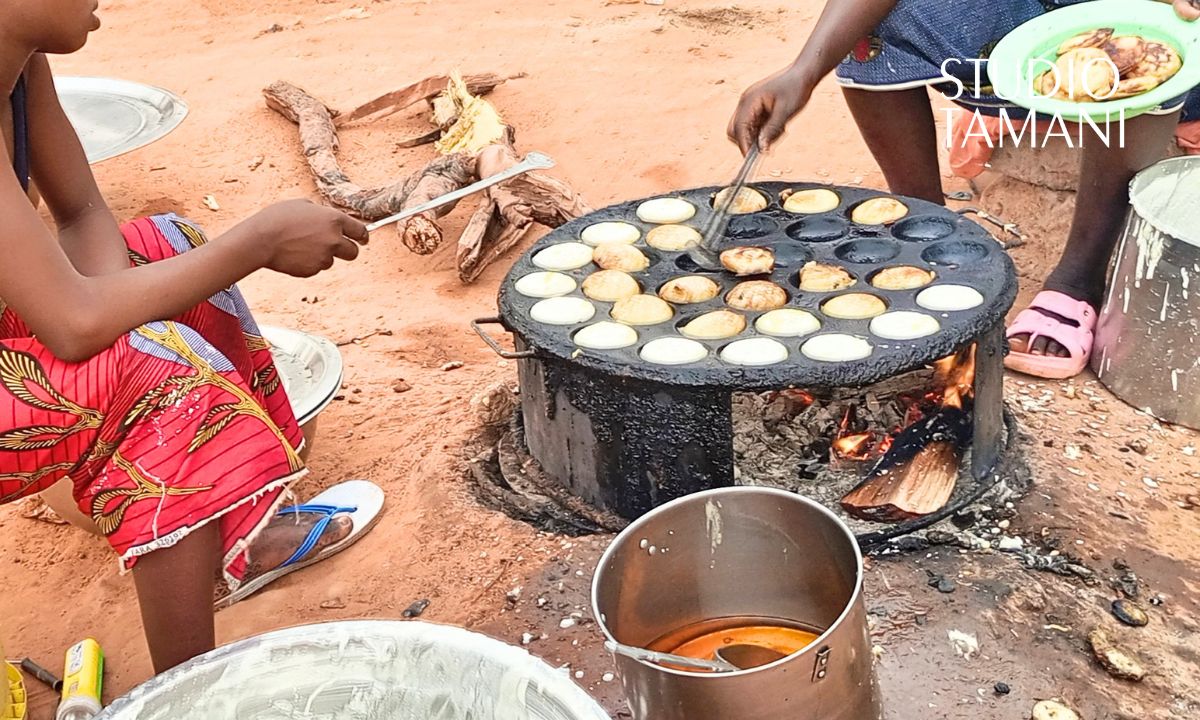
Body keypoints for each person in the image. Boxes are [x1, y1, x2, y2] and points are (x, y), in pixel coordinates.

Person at [1, 1, 378, 673]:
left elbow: (84, 213)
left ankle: (240, 530)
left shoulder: (20, 67)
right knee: (163, 381)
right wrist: (259, 241)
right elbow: (74, 324)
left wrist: (138, 320)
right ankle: (188, 689)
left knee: (171, 250)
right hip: (41, 331)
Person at [729, 0, 1200, 379]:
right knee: (876, 23)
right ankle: (926, 230)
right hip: (1036, 23)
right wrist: (803, 71)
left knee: (1141, 45)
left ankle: (1077, 280)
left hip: (1171, 22)